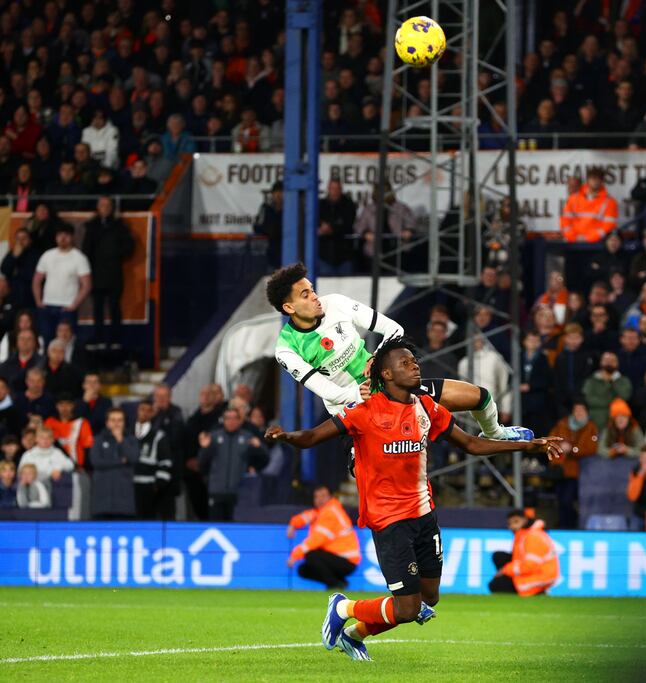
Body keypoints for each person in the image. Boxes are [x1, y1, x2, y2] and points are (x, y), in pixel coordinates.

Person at [265, 336, 560, 661]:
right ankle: (344, 607)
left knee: (428, 598)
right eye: (404, 363)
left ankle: (354, 634)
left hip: (424, 516)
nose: (414, 365)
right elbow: (312, 437)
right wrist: (286, 436)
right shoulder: (363, 412)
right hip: (389, 523)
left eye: (414, 360)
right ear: (387, 375)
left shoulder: (427, 407)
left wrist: (528, 446)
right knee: (407, 608)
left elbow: (472, 444)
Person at [267, 263, 530, 441]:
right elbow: (325, 390)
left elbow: (394, 329)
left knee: (479, 396)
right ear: (289, 308)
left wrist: (378, 358)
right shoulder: (286, 349)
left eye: (312, 289)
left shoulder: (335, 303)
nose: (314, 296)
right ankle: (357, 458)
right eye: (305, 294)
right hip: (354, 409)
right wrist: (356, 392)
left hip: (388, 388)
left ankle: (495, 432)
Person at [198, 407, 269, 521]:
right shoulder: (214, 437)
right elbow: (202, 462)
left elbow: (265, 458)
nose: (231, 421)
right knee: (216, 525)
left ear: (239, 420)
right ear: (223, 420)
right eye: (228, 418)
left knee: (235, 527)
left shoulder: (247, 437)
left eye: (234, 418)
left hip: (238, 493)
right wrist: (205, 449)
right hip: (216, 491)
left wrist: (258, 450)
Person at [82, 195, 134, 348]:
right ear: (97, 208)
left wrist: (115, 254)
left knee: (114, 307)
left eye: (107, 205)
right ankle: (98, 337)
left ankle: (115, 337)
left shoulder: (119, 226)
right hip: (96, 273)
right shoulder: (91, 226)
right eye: (102, 205)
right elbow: (86, 249)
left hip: (114, 273)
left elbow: (129, 246)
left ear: (111, 208)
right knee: (97, 307)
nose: (104, 208)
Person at [288, 485, 362, 590]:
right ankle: (339, 582)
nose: (319, 500)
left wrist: (295, 555)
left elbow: (317, 540)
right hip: (340, 559)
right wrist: (293, 524)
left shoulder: (330, 513)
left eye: (323, 496)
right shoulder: (324, 511)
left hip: (347, 560)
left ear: (331, 497)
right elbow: (307, 516)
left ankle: (335, 584)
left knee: (311, 555)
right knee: (303, 570)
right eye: (316, 497)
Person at [31, 224, 92, 344]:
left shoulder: (79, 258)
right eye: (59, 235)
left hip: (67, 308)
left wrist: (74, 305)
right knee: (46, 340)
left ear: (72, 237)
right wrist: (39, 301)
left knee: (66, 342)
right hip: (47, 306)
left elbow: (87, 285)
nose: (63, 238)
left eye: (66, 235)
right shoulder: (47, 255)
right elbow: (36, 281)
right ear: (56, 237)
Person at [549, 400, 599, 529]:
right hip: (560, 469)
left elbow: (591, 448)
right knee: (560, 501)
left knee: (568, 500)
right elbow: (550, 441)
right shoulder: (562, 424)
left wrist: (572, 449)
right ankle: (563, 525)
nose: (578, 413)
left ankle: (570, 526)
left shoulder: (590, 427)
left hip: (579, 472)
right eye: (576, 410)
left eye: (581, 410)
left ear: (587, 412)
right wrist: (560, 447)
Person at [489, 509, 560, 596]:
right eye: (510, 523)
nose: (513, 526)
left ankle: (539, 591)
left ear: (525, 520)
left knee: (496, 585)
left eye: (516, 521)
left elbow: (530, 566)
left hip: (541, 576)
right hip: (532, 570)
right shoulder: (523, 534)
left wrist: (505, 570)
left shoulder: (533, 537)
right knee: (499, 556)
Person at [90, 408, 139, 519]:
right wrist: (121, 461)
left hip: (124, 500)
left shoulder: (131, 440)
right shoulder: (98, 440)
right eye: (113, 420)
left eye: (120, 420)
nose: (116, 424)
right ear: (107, 423)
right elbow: (96, 462)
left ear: (124, 422)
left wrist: (121, 440)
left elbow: (133, 458)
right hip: (102, 500)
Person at [132, 398, 175, 519]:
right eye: (142, 409)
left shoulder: (159, 435)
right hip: (129, 486)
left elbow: (166, 461)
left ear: (152, 413)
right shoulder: (127, 433)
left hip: (148, 487)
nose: (144, 413)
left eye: (148, 410)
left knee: (147, 519)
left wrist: (158, 485)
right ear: (137, 411)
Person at [560, 168, 618, 243]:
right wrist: (572, 237)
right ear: (588, 180)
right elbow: (565, 221)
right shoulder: (573, 199)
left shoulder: (610, 202)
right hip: (573, 242)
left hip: (596, 243)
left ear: (602, 182)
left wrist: (590, 238)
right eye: (593, 178)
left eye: (598, 179)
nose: (595, 181)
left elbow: (609, 225)